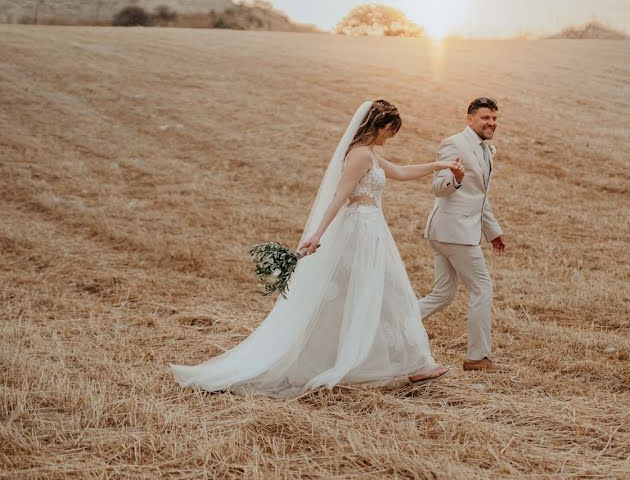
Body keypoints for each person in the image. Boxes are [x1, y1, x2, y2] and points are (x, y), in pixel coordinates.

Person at [170, 100, 457, 396]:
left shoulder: (369, 154)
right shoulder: (359, 156)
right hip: (360, 230)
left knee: (384, 292)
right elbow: (340, 196)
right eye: (389, 131)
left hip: (372, 229)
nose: (389, 138)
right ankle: (409, 365)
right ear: (379, 126)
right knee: (377, 291)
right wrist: (318, 233)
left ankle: (416, 365)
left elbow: (400, 171)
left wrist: (439, 165)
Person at [419, 97, 508, 372]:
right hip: (454, 232)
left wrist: (493, 232)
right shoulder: (454, 143)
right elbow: (437, 186)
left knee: (444, 294)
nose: (491, 123)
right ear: (470, 119)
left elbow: (479, 197)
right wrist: (455, 179)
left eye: (494, 118)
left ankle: (394, 323)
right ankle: (477, 358)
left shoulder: (485, 150)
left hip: (449, 232)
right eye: (485, 118)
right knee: (482, 288)